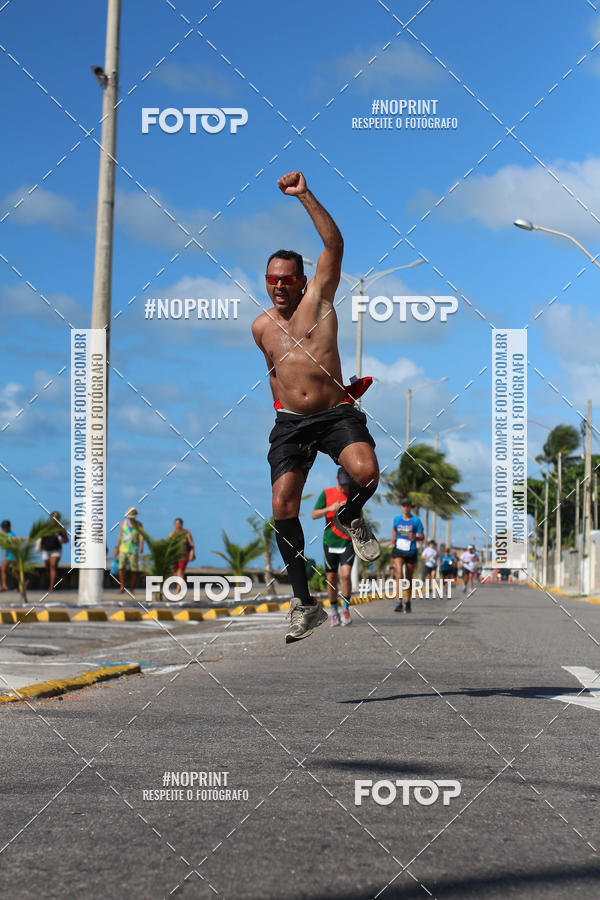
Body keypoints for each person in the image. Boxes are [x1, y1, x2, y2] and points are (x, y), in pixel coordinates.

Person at [252, 171, 380, 644]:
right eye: (272, 280)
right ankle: (304, 605)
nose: (279, 287)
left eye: (287, 280)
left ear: (303, 281)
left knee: (366, 473)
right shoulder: (262, 327)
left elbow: (334, 244)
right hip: (290, 423)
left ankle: (350, 514)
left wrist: (304, 195)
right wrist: (280, 409)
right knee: (282, 505)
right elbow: (273, 373)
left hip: (334, 413)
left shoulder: (320, 301)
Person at [311, 468, 355, 626]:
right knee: (331, 578)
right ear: (337, 479)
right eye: (342, 484)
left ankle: (346, 609)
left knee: (345, 575)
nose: (344, 488)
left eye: (347, 484)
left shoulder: (353, 494)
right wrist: (329, 509)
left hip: (348, 541)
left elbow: (360, 515)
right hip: (330, 542)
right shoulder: (327, 493)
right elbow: (314, 514)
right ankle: (334, 611)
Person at [391, 499, 424, 613]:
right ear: (401, 507)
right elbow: (395, 529)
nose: (405, 508)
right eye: (403, 506)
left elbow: (422, 536)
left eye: (407, 506)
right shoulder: (397, 519)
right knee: (399, 574)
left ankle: (408, 601)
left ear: (410, 508)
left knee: (408, 577)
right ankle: (399, 602)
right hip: (398, 550)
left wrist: (415, 537)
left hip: (411, 551)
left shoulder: (416, 521)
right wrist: (393, 538)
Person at [37, 511, 68, 592]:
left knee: (52, 566)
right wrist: (38, 546)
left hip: (56, 549)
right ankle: (50, 580)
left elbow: (66, 539)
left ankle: (51, 586)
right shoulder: (45, 526)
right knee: (47, 567)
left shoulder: (61, 528)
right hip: (45, 549)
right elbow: (40, 536)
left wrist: (62, 541)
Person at [115, 507, 144, 595]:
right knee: (121, 567)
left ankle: (132, 588)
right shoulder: (123, 523)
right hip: (123, 549)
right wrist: (116, 547)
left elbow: (141, 536)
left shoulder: (139, 525)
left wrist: (141, 546)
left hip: (133, 550)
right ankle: (122, 586)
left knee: (133, 569)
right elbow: (120, 535)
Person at [168, 517, 195, 595]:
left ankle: (178, 589)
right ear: (174, 524)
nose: (177, 525)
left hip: (183, 555)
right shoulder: (172, 533)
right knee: (175, 573)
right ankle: (179, 586)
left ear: (182, 524)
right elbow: (168, 545)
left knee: (180, 571)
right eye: (176, 523)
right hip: (174, 556)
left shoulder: (186, 532)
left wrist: (192, 553)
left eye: (179, 523)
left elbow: (192, 544)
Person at [1, 519, 15, 591]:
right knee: (13, 571)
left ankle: (5, 585)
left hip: (11, 555)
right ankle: (5, 585)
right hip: (10, 554)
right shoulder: (10, 534)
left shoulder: (9, 535)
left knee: (4, 569)